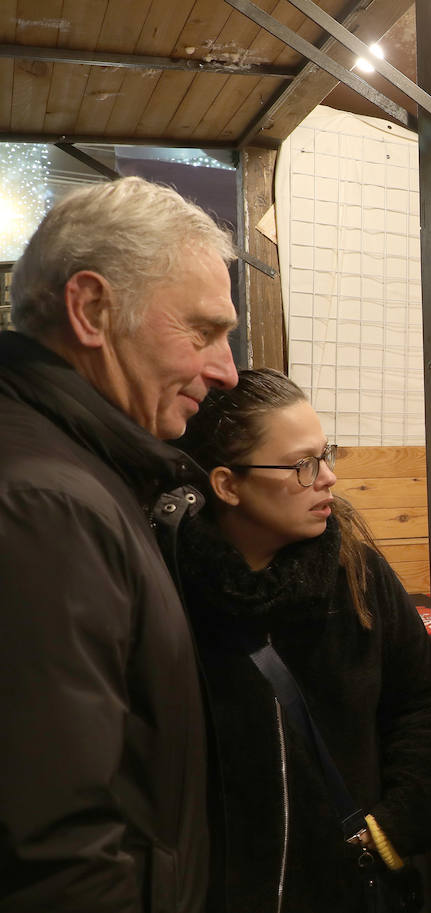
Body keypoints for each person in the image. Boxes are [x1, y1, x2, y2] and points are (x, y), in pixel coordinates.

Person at [0, 177, 238, 912]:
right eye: (201, 332)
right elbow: (56, 860)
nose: (227, 370)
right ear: (94, 309)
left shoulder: (83, 473)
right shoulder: (47, 506)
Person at [174, 369, 431, 913]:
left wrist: (392, 829)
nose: (327, 477)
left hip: (350, 882)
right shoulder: (171, 587)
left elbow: (421, 698)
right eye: (302, 465)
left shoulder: (355, 570)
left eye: (326, 455)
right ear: (228, 484)